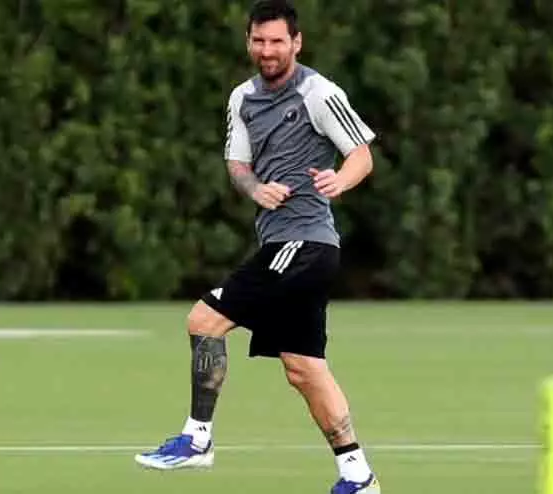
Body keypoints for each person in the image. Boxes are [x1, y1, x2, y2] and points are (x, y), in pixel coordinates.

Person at [135, 1, 380, 493]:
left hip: (304, 243)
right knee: (304, 368)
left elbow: (360, 153)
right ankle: (358, 476)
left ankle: (197, 439)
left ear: (296, 42)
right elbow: (238, 164)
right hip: (290, 245)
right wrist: (255, 189)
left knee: (204, 321)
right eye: (259, 41)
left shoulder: (319, 92)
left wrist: (341, 179)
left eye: (277, 41)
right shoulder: (242, 98)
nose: (268, 50)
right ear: (248, 41)